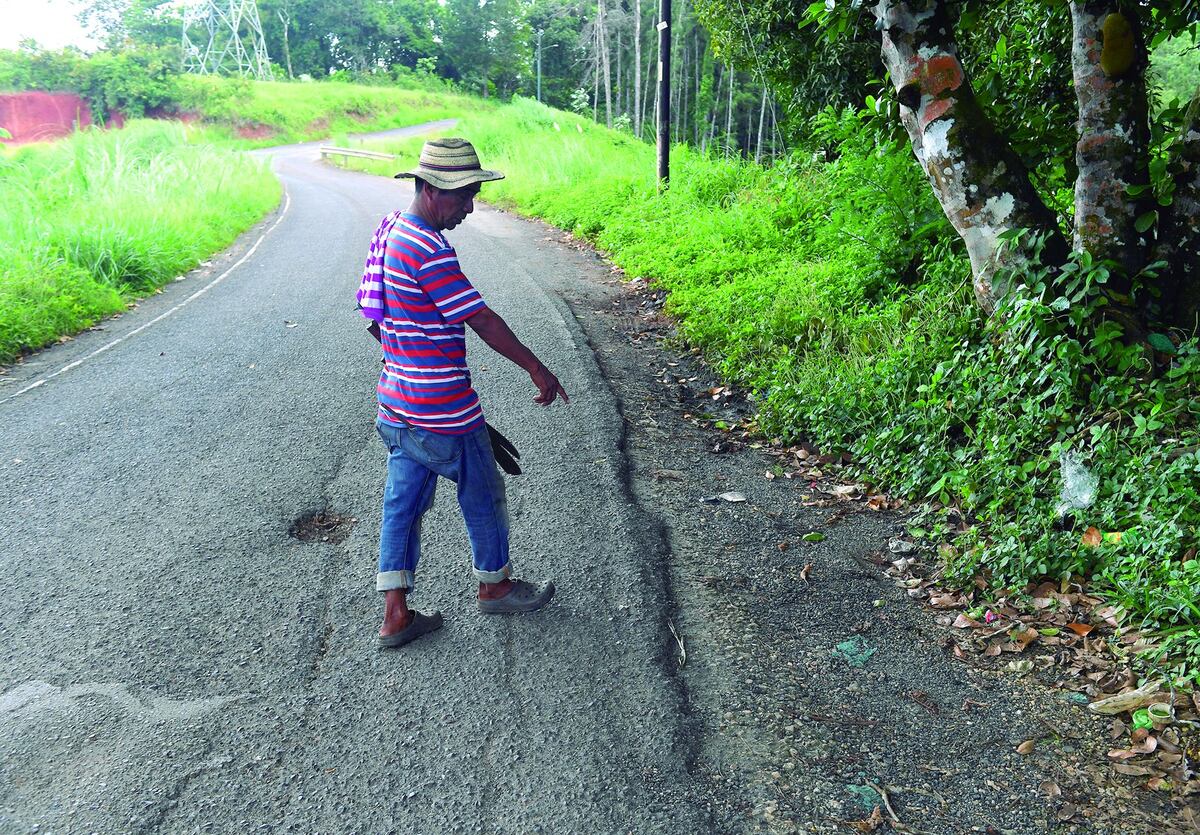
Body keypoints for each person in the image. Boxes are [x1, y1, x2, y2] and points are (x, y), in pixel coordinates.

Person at [356, 137, 569, 649]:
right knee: (482, 493)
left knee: (401, 506)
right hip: (444, 411)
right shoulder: (428, 248)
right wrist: (537, 368)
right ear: (431, 190)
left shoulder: (389, 230)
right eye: (464, 196)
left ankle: (395, 616)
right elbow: (481, 320)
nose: (470, 208)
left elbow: (373, 317)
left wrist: (410, 364)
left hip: (396, 404)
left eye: (473, 195)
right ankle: (495, 585)